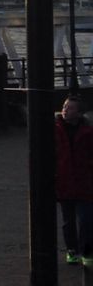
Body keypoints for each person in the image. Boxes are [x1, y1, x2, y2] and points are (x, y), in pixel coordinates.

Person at [55, 95, 93, 266]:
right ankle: (72, 250)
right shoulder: (55, 130)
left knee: (86, 220)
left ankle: (85, 251)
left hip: (84, 182)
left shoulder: (88, 132)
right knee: (68, 221)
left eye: (70, 107)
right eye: (64, 106)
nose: (65, 110)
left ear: (78, 113)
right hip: (65, 182)